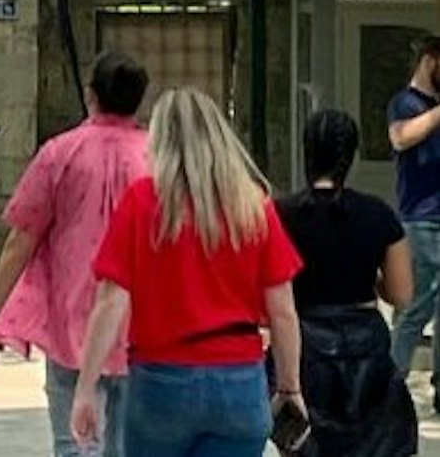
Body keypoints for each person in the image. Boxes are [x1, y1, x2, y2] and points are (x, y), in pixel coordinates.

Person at [71, 87, 305, 457]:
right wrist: (289, 387)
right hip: (239, 379)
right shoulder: (254, 206)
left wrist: (85, 387)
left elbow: (110, 301)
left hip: (159, 379)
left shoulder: (142, 202)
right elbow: (283, 312)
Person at [0, 50, 149, 457]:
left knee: (74, 443)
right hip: (142, 323)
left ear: (90, 96)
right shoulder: (158, 156)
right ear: (140, 98)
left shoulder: (60, 153)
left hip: (72, 319)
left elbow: (21, 240)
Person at [276, 109, 417, 457]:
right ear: (351, 154)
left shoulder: (280, 213)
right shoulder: (378, 214)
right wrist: (375, 282)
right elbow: (401, 294)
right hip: (364, 343)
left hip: (304, 340)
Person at [388, 35, 440, 405]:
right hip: (422, 220)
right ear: (430, 60)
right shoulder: (404, 103)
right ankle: (389, 383)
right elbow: (401, 138)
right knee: (417, 304)